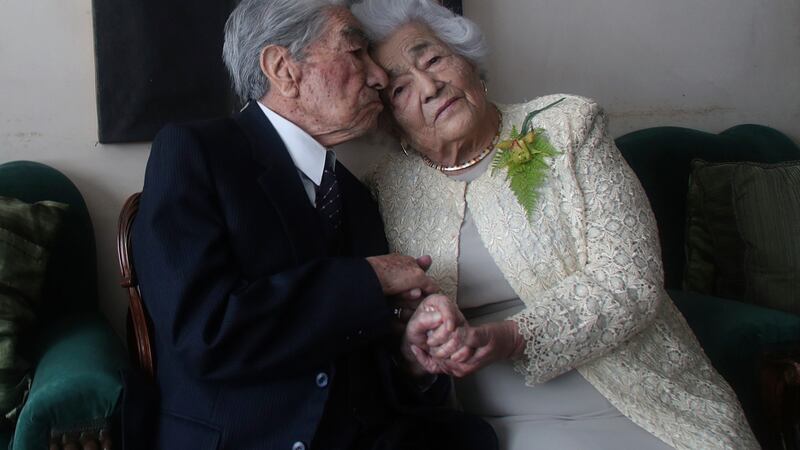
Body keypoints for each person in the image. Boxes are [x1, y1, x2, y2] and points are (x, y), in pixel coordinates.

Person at [352, 0, 760, 449]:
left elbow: (630, 280)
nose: (430, 87)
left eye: (432, 59)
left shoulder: (567, 126)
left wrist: (509, 337)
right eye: (399, 90)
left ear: (466, 60)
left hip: (635, 400)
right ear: (390, 121)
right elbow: (388, 328)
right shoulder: (383, 191)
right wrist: (418, 336)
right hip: (489, 428)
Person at [130, 0, 498, 449]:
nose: (379, 77)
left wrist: (413, 357)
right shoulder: (196, 154)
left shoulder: (356, 194)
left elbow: (365, 365)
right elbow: (205, 332)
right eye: (355, 51)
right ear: (283, 68)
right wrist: (371, 277)